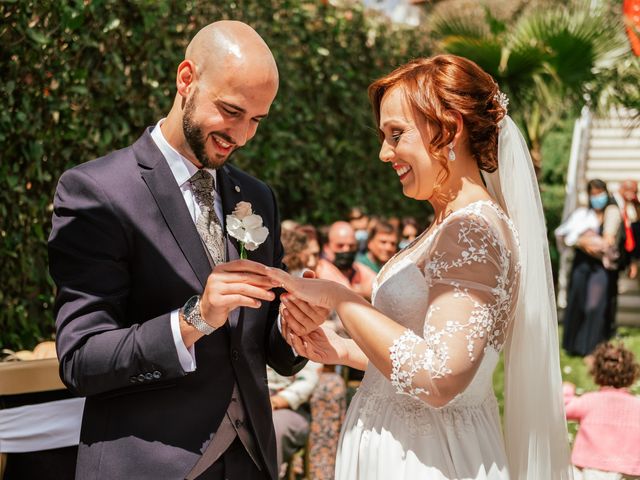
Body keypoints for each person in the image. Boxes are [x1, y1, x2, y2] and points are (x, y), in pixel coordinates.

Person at [48, 21, 327, 480]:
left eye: (257, 120)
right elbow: (82, 359)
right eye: (231, 111)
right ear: (186, 79)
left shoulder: (258, 197)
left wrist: (293, 324)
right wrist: (194, 318)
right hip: (148, 464)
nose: (241, 136)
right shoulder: (97, 191)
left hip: (250, 460)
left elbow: (262, 349)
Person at [270, 55, 572, 478]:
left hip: (425, 458)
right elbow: (421, 351)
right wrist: (342, 349)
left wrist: (341, 300)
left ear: (449, 127)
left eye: (396, 134)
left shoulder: (470, 230)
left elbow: (441, 378)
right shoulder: (448, 224)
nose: (383, 153)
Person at [556, 179, 622, 357]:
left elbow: (609, 241)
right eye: (593, 194)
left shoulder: (611, 213)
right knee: (577, 302)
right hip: (582, 264)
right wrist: (582, 242)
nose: (596, 197)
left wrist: (587, 243)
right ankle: (573, 346)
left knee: (594, 305)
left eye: (599, 193)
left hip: (600, 266)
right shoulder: (582, 214)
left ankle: (591, 347)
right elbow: (566, 235)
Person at [563, 341, 640, 479]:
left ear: (596, 373)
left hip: (590, 465)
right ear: (631, 375)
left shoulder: (589, 401)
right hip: (626, 469)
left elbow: (563, 410)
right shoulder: (637, 405)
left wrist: (567, 389)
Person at [268, 360, 322, 478]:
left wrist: (276, 401)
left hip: (291, 408)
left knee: (270, 427)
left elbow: (308, 382)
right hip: (250, 401)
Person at [315, 221, 375, 299]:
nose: (346, 249)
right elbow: (342, 296)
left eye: (351, 246)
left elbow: (378, 286)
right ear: (327, 248)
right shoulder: (321, 268)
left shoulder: (358, 268)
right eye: (340, 246)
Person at [617, 180, 640, 279]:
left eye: (635, 192)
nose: (632, 194)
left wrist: (635, 203)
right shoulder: (615, 203)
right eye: (629, 190)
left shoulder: (635, 205)